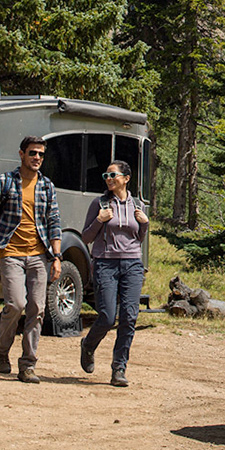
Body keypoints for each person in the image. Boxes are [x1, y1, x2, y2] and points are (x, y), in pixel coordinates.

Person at [0, 136, 61, 384]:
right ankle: (1, 348)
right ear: (21, 154)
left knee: (37, 308)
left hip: (38, 254)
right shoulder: (3, 182)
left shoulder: (47, 186)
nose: (37, 158)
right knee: (16, 304)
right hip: (10, 252)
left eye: (41, 154)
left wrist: (57, 257)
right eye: (33, 153)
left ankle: (28, 365)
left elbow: (54, 222)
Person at [78, 159, 148, 386]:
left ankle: (119, 368)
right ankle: (88, 345)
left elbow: (139, 238)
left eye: (113, 175)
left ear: (126, 179)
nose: (108, 179)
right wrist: (99, 221)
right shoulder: (99, 203)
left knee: (129, 317)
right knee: (108, 317)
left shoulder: (137, 205)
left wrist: (145, 224)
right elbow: (86, 237)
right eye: (106, 176)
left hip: (132, 265)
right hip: (105, 263)